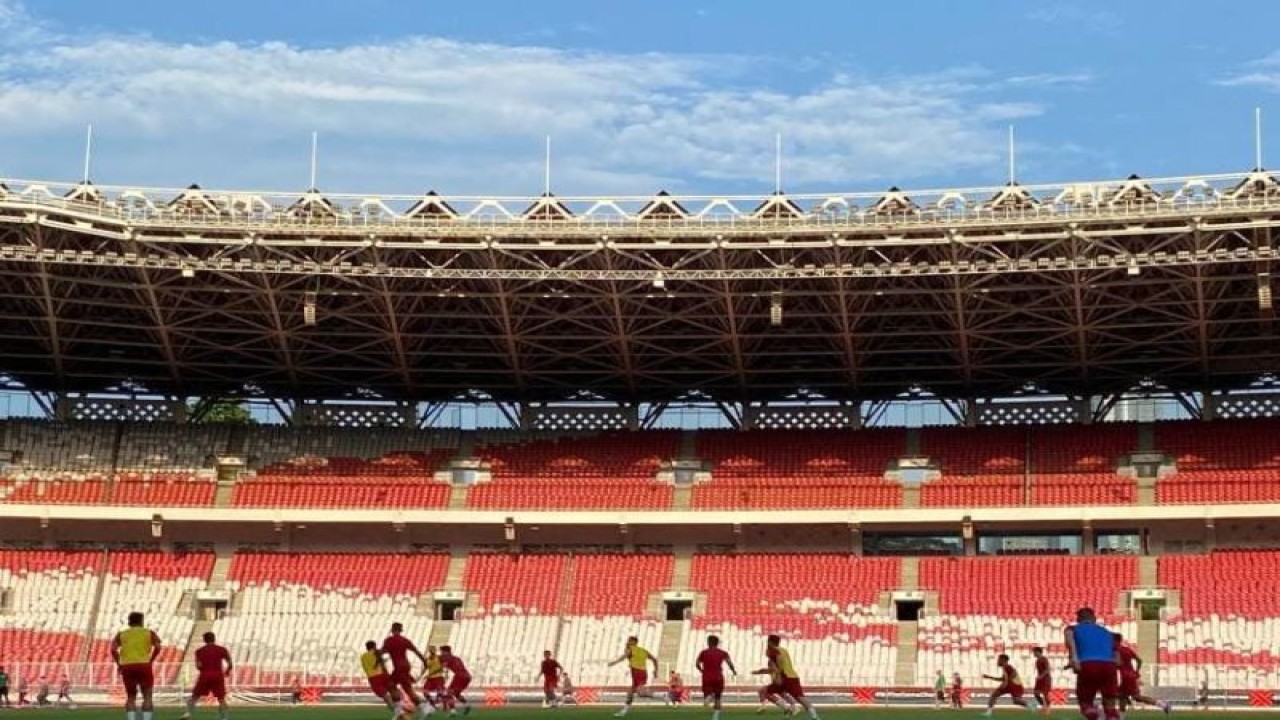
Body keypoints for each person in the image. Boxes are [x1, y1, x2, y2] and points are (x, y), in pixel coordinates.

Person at [1065, 607, 1121, 720]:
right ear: (1094, 619)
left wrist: (1074, 659)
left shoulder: (1072, 629)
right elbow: (1117, 658)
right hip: (1109, 666)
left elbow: (1070, 641)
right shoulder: (1107, 632)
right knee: (1110, 705)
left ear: (1078, 619)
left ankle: (1095, 717)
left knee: (1086, 702)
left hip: (1088, 664)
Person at [111, 611, 162, 720]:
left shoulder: (122, 634)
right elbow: (158, 647)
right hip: (144, 665)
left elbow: (113, 649)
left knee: (131, 697)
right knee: (147, 696)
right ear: (141, 621)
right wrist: (151, 660)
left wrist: (119, 664)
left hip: (128, 666)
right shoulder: (149, 633)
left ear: (129, 621)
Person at [1113, 633, 1171, 714]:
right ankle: (1162, 704)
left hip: (1123, 677)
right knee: (1125, 697)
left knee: (1131, 697)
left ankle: (1163, 704)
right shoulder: (1127, 649)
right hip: (1130, 675)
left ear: (1114, 640)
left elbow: (1117, 663)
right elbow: (1139, 660)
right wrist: (1136, 672)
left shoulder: (1115, 650)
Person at [181, 632, 233, 720]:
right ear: (214, 639)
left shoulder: (199, 651)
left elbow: (198, 666)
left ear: (204, 640)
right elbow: (230, 662)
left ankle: (188, 714)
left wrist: (203, 668)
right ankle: (225, 718)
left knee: (195, 696)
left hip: (205, 674)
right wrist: (227, 671)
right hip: (218, 675)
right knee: (221, 699)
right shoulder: (222, 649)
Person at [764, 634, 818, 720]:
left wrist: (777, 674)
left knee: (766, 692)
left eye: (768, 641)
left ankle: (787, 709)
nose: (767, 643)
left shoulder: (772, 651)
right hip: (793, 676)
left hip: (785, 677)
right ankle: (815, 717)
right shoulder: (784, 650)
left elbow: (776, 664)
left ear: (770, 642)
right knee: (800, 698)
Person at [607, 636, 658, 717]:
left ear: (634, 642)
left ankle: (662, 696)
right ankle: (624, 711)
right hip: (642, 672)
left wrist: (613, 663)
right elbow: (655, 660)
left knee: (640, 693)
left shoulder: (630, 649)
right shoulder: (643, 650)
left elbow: (623, 657)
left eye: (630, 641)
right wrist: (656, 671)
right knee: (630, 693)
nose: (628, 642)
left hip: (637, 672)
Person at [380, 623, 428, 709]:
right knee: (405, 687)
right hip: (406, 666)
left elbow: (382, 652)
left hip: (398, 667)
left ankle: (403, 708)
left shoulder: (389, 640)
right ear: (400, 630)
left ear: (392, 630)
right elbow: (416, 651)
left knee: (391, 686)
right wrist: (424, 662)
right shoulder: (405, 640)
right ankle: (420, 707)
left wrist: (375, 653)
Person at [696, 635, 737, 720]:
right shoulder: (723, 653)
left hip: (707, 676)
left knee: (707, 693)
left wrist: (701, 671)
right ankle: (715, 717)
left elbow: (697, 664)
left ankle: (709, 696)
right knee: (718, 697)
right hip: (718, 676)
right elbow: (729, 663)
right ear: (717, 643)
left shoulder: (703, 652)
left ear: (709, 642)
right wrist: (733, 671)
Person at [360, 640, 395, 711]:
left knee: (385, 696)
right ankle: (399, 709)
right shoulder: (375, 654)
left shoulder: (363, 656)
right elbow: (376, 665)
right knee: (390, 693)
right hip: (380, 675)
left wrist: (381, 659)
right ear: (374, 646)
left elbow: (376, 664)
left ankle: (398, 711)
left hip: (374, 678)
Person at [439, 645, 472, 716]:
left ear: (446, 652)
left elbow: (443, 665)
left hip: (459, 676)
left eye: (442, 652)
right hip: (467, 676)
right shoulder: (457, 658)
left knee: (448, 693)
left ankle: (453, 711)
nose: (441, 653)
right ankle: (467, 705)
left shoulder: (447, 658)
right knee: (456, 693)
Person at [421, 646, 446, 716]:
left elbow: (441, 667)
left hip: (438, 677)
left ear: (435, 650)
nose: (431, 650)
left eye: (433, 649)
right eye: (430, 649)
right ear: (429, 650)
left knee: (441, 692)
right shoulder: (427, 659)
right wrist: (420, 676)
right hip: (430, 678)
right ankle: (433, 704)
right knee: (425, 692)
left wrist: (431, 673)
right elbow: (425, 668)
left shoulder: (439, 657)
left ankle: (445, 705)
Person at [1033, 647, 1052, 714]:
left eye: (1034, 652)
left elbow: (1048, 669)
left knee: (1045, 694)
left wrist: (1041, 676)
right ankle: (1044, 707)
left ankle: (1048, 709)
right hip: (1040, 679)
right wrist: (1039, 677)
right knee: (1036, 693)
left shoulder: (1044, 659)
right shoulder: (1037, 660)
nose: (1033, 653)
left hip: (1046, 679)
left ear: (1038, 652)